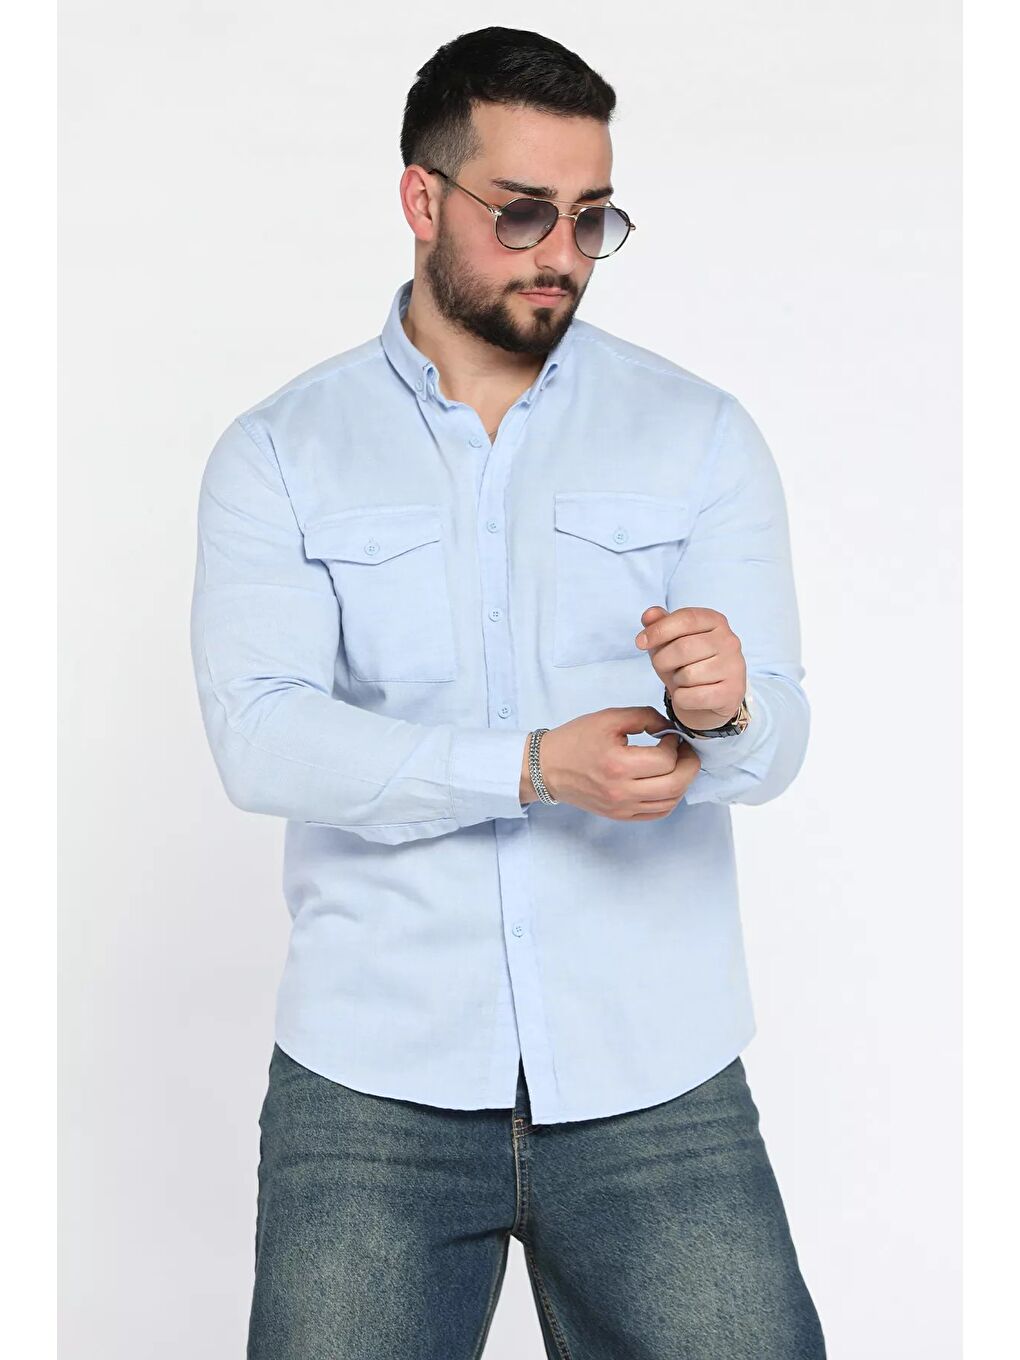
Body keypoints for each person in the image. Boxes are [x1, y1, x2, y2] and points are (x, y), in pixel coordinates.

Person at [190, 24, 827, 1360]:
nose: (561, 253)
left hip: (657, 1079)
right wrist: (533, 766)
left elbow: (771, 739)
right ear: (421, 198)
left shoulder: (698, 432)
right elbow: (262, 738)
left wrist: (726, 712)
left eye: (592, 218)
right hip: (372, 1087)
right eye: (524, 210)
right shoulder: (281, 451)